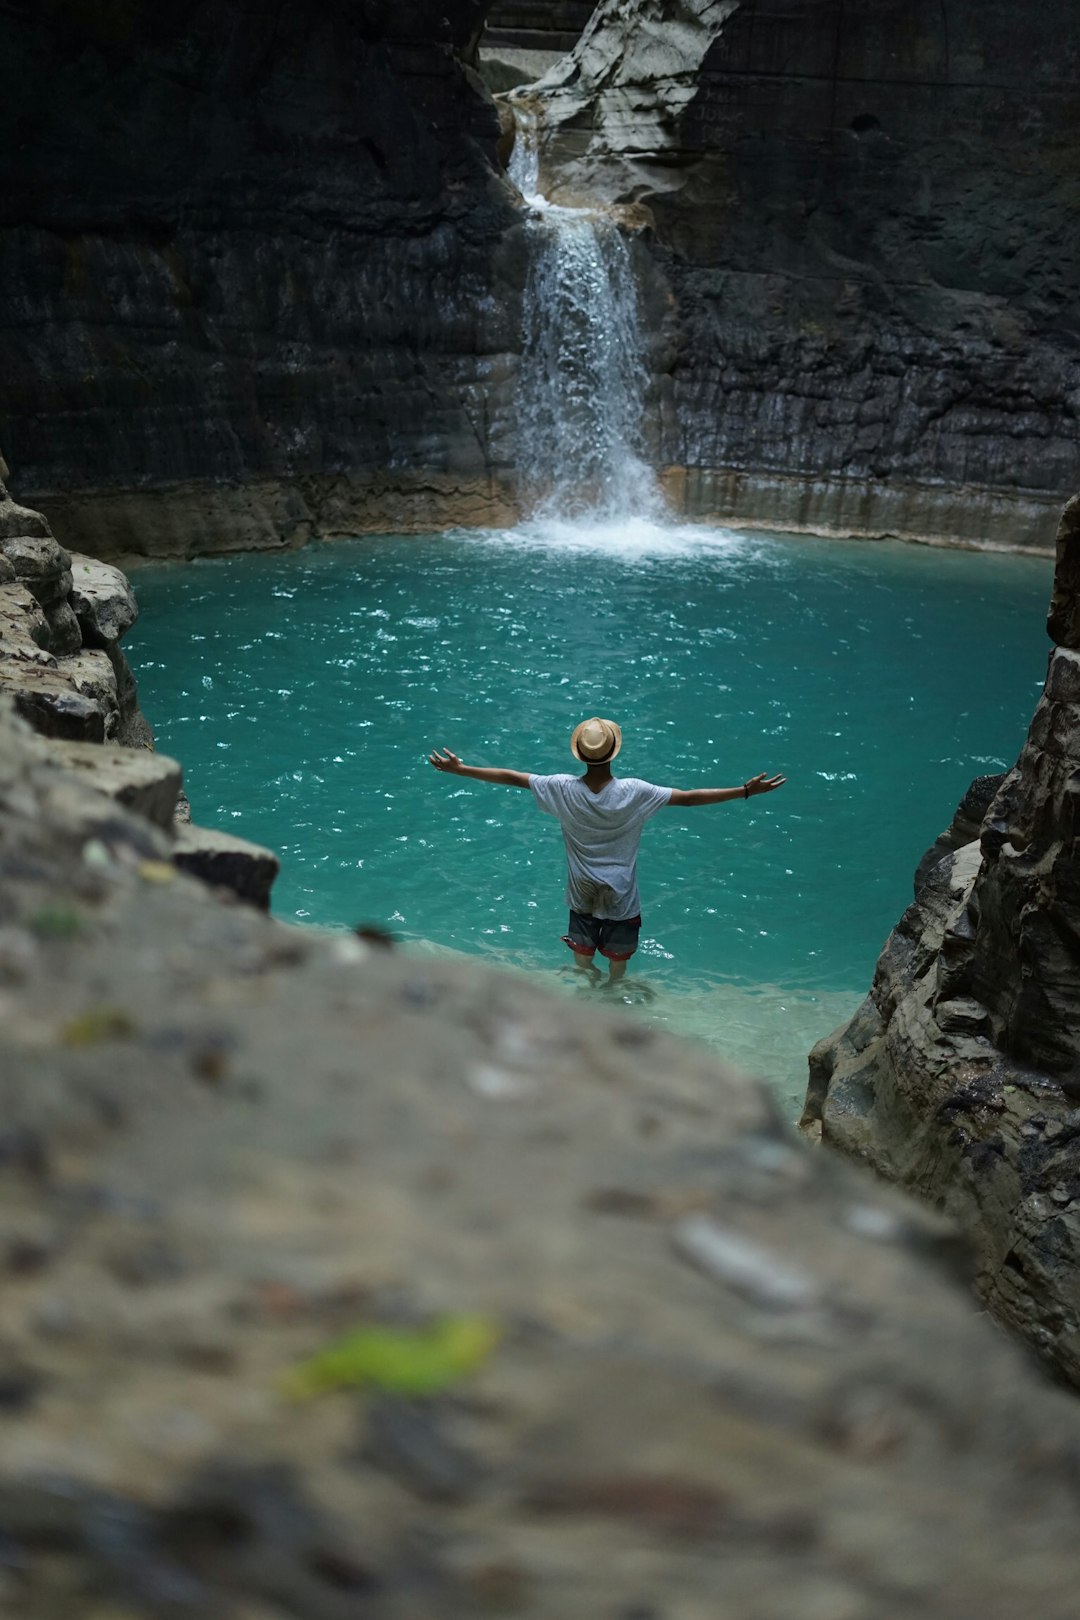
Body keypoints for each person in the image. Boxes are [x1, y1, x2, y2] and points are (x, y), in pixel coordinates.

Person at [429, 716, 785, 986]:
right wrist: (744, 791)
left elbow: (512, 777)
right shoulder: (637, 791)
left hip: (582, 894)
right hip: (622, 898)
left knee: (582, 960)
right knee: (619, 964)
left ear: (580, 754)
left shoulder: (561, 788)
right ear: (614, 752)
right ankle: (615, 991)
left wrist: (461, 770)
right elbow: (689, 799)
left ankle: (586, 993)